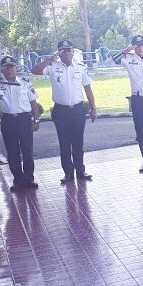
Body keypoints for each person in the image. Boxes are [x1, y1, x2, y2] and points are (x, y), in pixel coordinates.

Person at [32, 39, 98, 184]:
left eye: (69, 50)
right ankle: (68, 173)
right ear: (59, 53)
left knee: (78, 142)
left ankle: (81, 170)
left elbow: (88, 88)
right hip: (61, 111)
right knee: (64, 143)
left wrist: (93, 108)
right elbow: (35, 70)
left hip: (78, 110)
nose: (67, 53)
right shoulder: (52, 66)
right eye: (63, 50)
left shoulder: (80, 67)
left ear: (73, 52)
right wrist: (50, 59)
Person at [0, 56, 41, 192]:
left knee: (28, 151)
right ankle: (18, 180)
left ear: (16, 68)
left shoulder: (25, 83)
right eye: (5, 67)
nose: (9, 69)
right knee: (13, 153)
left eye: (11, 66)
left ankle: (29, 179)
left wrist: (36, 120)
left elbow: (33, 103)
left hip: (24, 119)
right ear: (2, 70)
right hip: (8, 121)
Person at [106, 35, 143, 172]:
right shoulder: (128, 59)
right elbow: (108, 63)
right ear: (133, 47)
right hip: (138, 99)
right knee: (141, 131)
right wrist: (125, 51)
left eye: (142, 45)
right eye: (137, 46)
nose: (140, 48)